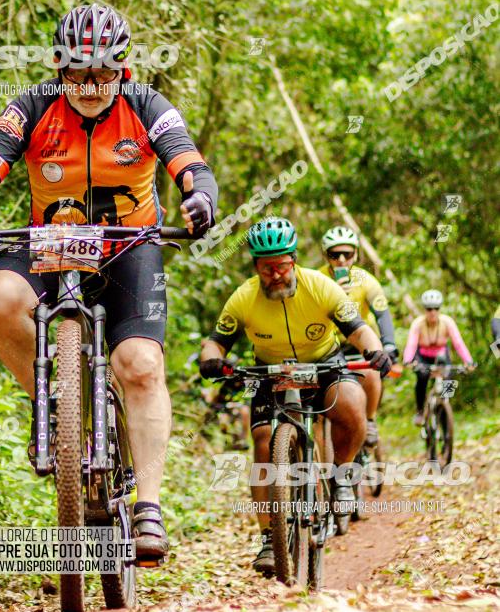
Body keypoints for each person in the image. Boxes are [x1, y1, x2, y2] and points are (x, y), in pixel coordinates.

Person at [0, 3, 218, 565]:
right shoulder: (33, 106)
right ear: (59, 66)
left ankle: (150, 506)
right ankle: (58, 408)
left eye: (104, 72)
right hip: (51, 243)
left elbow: (187, 160)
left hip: (129, 246)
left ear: (123, 70)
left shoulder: (146, 105)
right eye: (78, 72)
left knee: (140, 364)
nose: (90, 84)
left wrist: (199, 195)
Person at [198, 217, 391, 576]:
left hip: (324, 361)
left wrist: (376, 351)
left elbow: (359, 330)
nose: (276, 275)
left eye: (283, 266)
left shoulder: (321, 286)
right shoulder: (243, 297)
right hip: (269, 371)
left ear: (294, 260)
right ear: (256, 266)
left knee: (351, 405)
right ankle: (271, 537)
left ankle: (342, 475)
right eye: (267, 267)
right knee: (260, 442)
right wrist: (210, 360)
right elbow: (216, 341)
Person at [318, 226, 398, 446]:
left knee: (371, 373)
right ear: (326, 256)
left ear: (356, 254)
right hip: (327, 346)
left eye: (348, 254)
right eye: (335, 254)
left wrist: (389, 344)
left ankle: (370, 419)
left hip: (359, 344)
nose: (342, 260)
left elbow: (382, 314)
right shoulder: (318, 279)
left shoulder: (367, 280)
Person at [403, 290, 474, 426]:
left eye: (436, 308)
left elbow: (458, 344)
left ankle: (446, 406)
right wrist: (408, 360)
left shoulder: (447, 322)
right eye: (429, 309)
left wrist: (468, 361)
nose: (433, 312)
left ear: (440, 309)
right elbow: (411, 344)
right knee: (422, 378)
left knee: (449, 376)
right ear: (425, 310)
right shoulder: (418, 324)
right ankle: (419, 411)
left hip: (441, 355)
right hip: (423, 356)